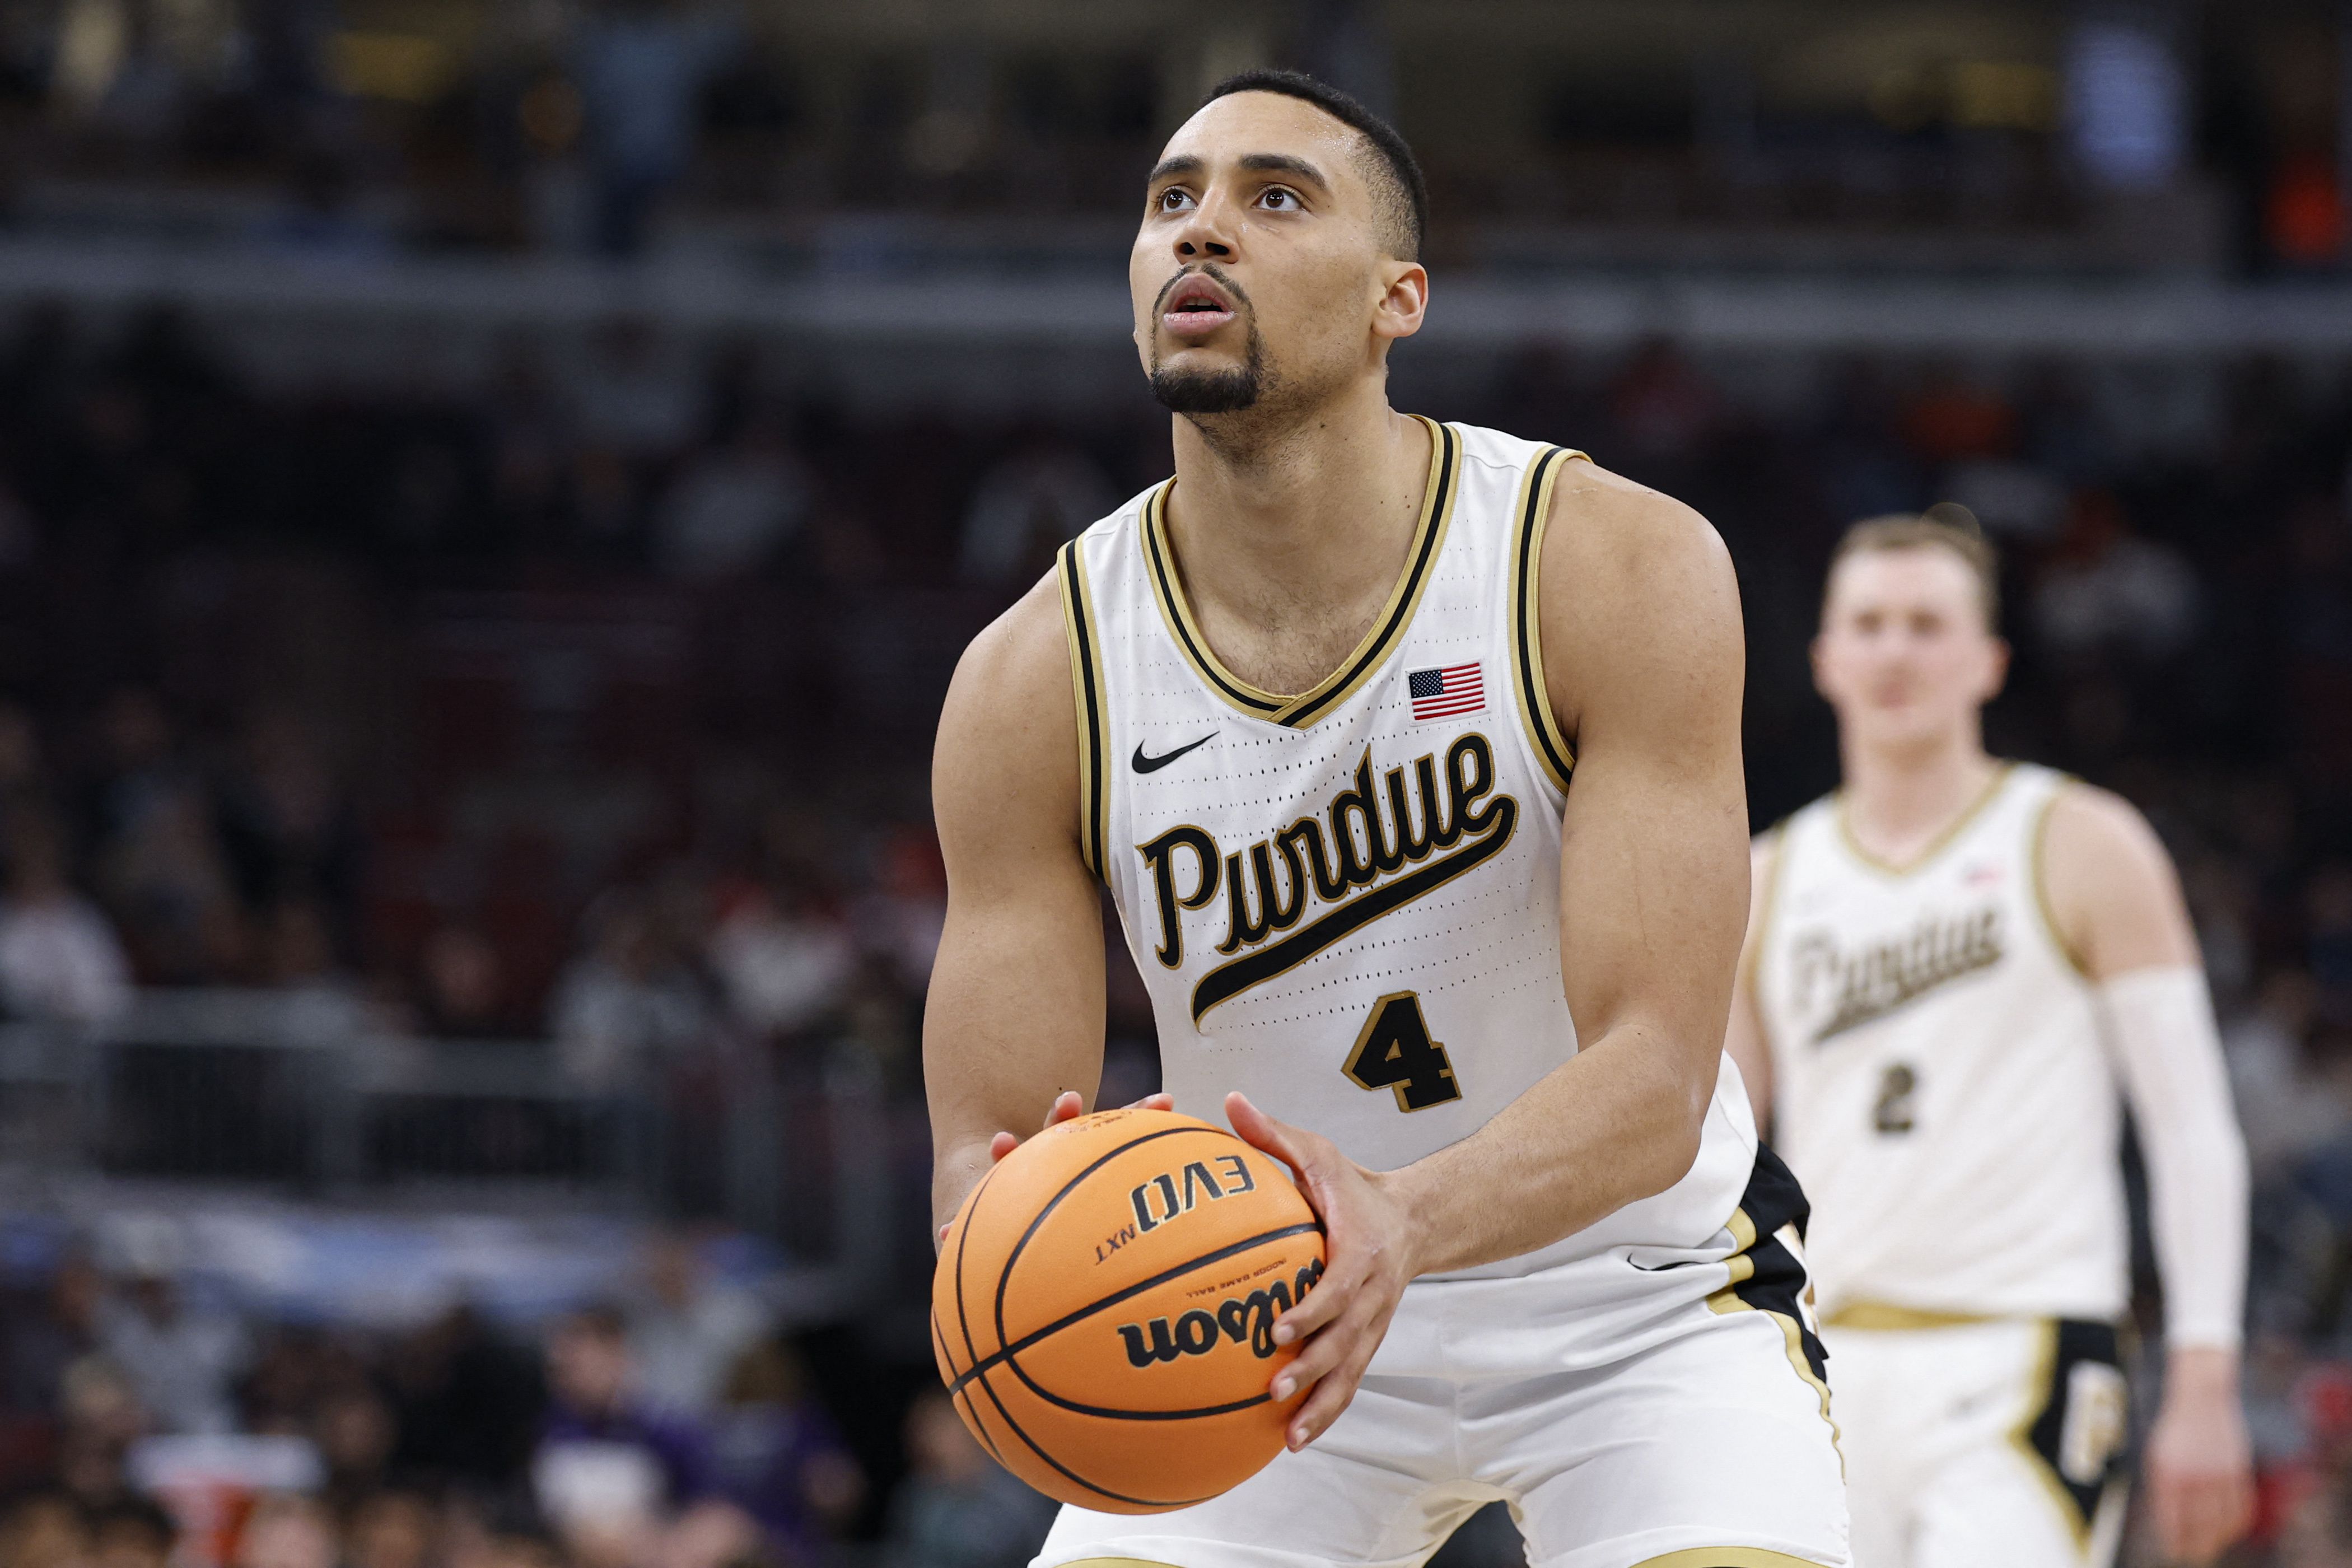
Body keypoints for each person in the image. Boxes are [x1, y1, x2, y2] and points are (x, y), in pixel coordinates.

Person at [924, 68, 1846, 1568]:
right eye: (1172, 202)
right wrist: (1013, 1251)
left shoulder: (1607, 563)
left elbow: (1657, 1073)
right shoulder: (1035, 677)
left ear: (1394, 299)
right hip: (1243, 1322)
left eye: (1274, 197)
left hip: (1634, 1301)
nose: (1201, 232)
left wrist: (1399, 1225)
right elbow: (986, 1150)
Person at [1723, 510, 2255, 1568]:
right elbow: (1720, 1163)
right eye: (1869, 623)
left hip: (2028, 1349)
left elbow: (2193, 1127)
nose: (1897, 650)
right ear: (1826, 658)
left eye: (1928, 623)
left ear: (1989, 660)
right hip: (1827, 1363)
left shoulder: (2083, 841)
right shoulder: (1767, 878)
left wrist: (2206, 1378)